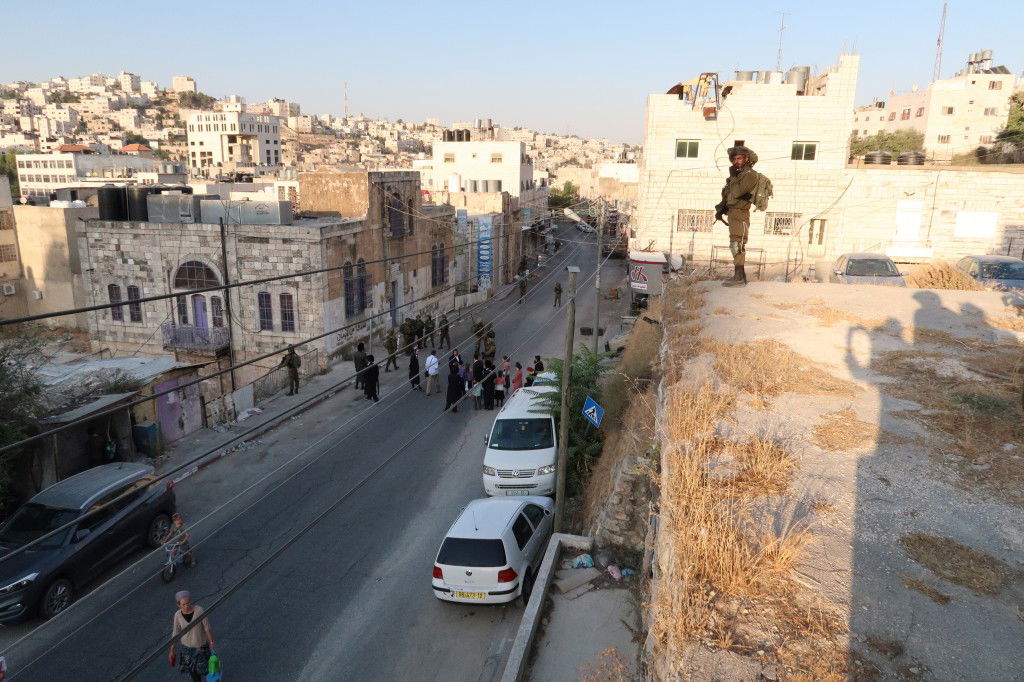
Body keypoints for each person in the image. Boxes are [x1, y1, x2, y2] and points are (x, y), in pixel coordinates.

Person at [715, 145, 759, 287]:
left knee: (737, 244)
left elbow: (737, 192)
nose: (736, 161)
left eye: (739, 158)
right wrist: (721, 208)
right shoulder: (737, 176)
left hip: (741, 214)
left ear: (746, 159)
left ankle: (738, 277)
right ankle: (741, 276)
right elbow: (728, 195)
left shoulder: (750, 175)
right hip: (733, 213)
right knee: (735, 244)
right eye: (734, 159)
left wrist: (733, 177)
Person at [169, 591, 215, 682]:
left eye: (188, 603)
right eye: (184, 604)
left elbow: (207, 628)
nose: (187, 606)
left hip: (201, 647)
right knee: (194, 674)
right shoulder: (177, 615)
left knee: (210, 671)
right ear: (179, 605)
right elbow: (175, 633)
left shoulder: (199, 611)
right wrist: (172, 649)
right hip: (187, 650)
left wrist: (211, 642)